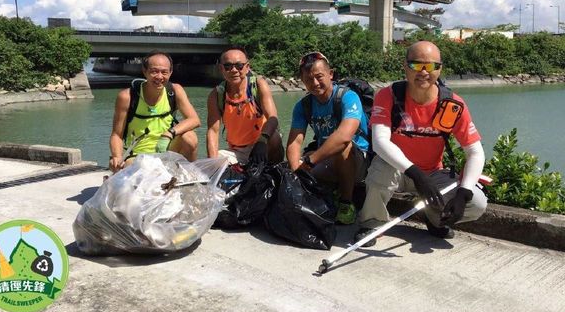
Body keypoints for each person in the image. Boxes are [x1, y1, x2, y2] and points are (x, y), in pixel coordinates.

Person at [354, 41, 487, 246]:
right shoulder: (388, 96)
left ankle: (435, 219)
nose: (424, 72)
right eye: (417, 65)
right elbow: (380, 142)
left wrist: (464, 192)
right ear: (405, 66)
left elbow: (475, 152)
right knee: (381, 170)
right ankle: (372, 223)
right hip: (397, 170)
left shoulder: (452, 104)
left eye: (432, 66)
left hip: (433, 173)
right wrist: (415, 173)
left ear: (440, 69)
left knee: (476, 203)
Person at [286, 52, 370, 225]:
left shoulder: (347, 97)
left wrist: (309, 162)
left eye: (319, 77)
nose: (315, 83)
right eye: (309, 79)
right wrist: (297, 172)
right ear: (302, 81)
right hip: (324, 159)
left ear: (330, 74)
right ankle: (326, 194)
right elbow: (295, 141)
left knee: (343, 146)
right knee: (291, 167)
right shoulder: (304, 106)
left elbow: (344, 136)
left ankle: (346, 203)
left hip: (357, 160)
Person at [109, 50, 200, 172]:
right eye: (154, 71)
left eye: (164, 72)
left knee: (190, 137)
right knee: (140, 172)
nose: (159, 77)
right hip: (138, 156)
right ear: (144, 71)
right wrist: (117, 157)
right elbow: (117, 135)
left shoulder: (175, 90)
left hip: (167, 149)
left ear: (171, 73)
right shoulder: (127, 97)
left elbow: (194, 120)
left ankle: (189, 176)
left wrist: (170, 133)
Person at [206, 46, 283, 165]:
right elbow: (213, 131)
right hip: (237, 151)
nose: (234, 70)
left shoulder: (258, 85)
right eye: (228, 66)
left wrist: (261, 142)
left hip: (263, 144)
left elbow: (273, 118)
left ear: (247, 67)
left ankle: (275, 170)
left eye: (239, 65)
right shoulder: (216, 95)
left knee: (275, 137)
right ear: (221, 68)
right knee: (212, 161)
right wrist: (212, 163)